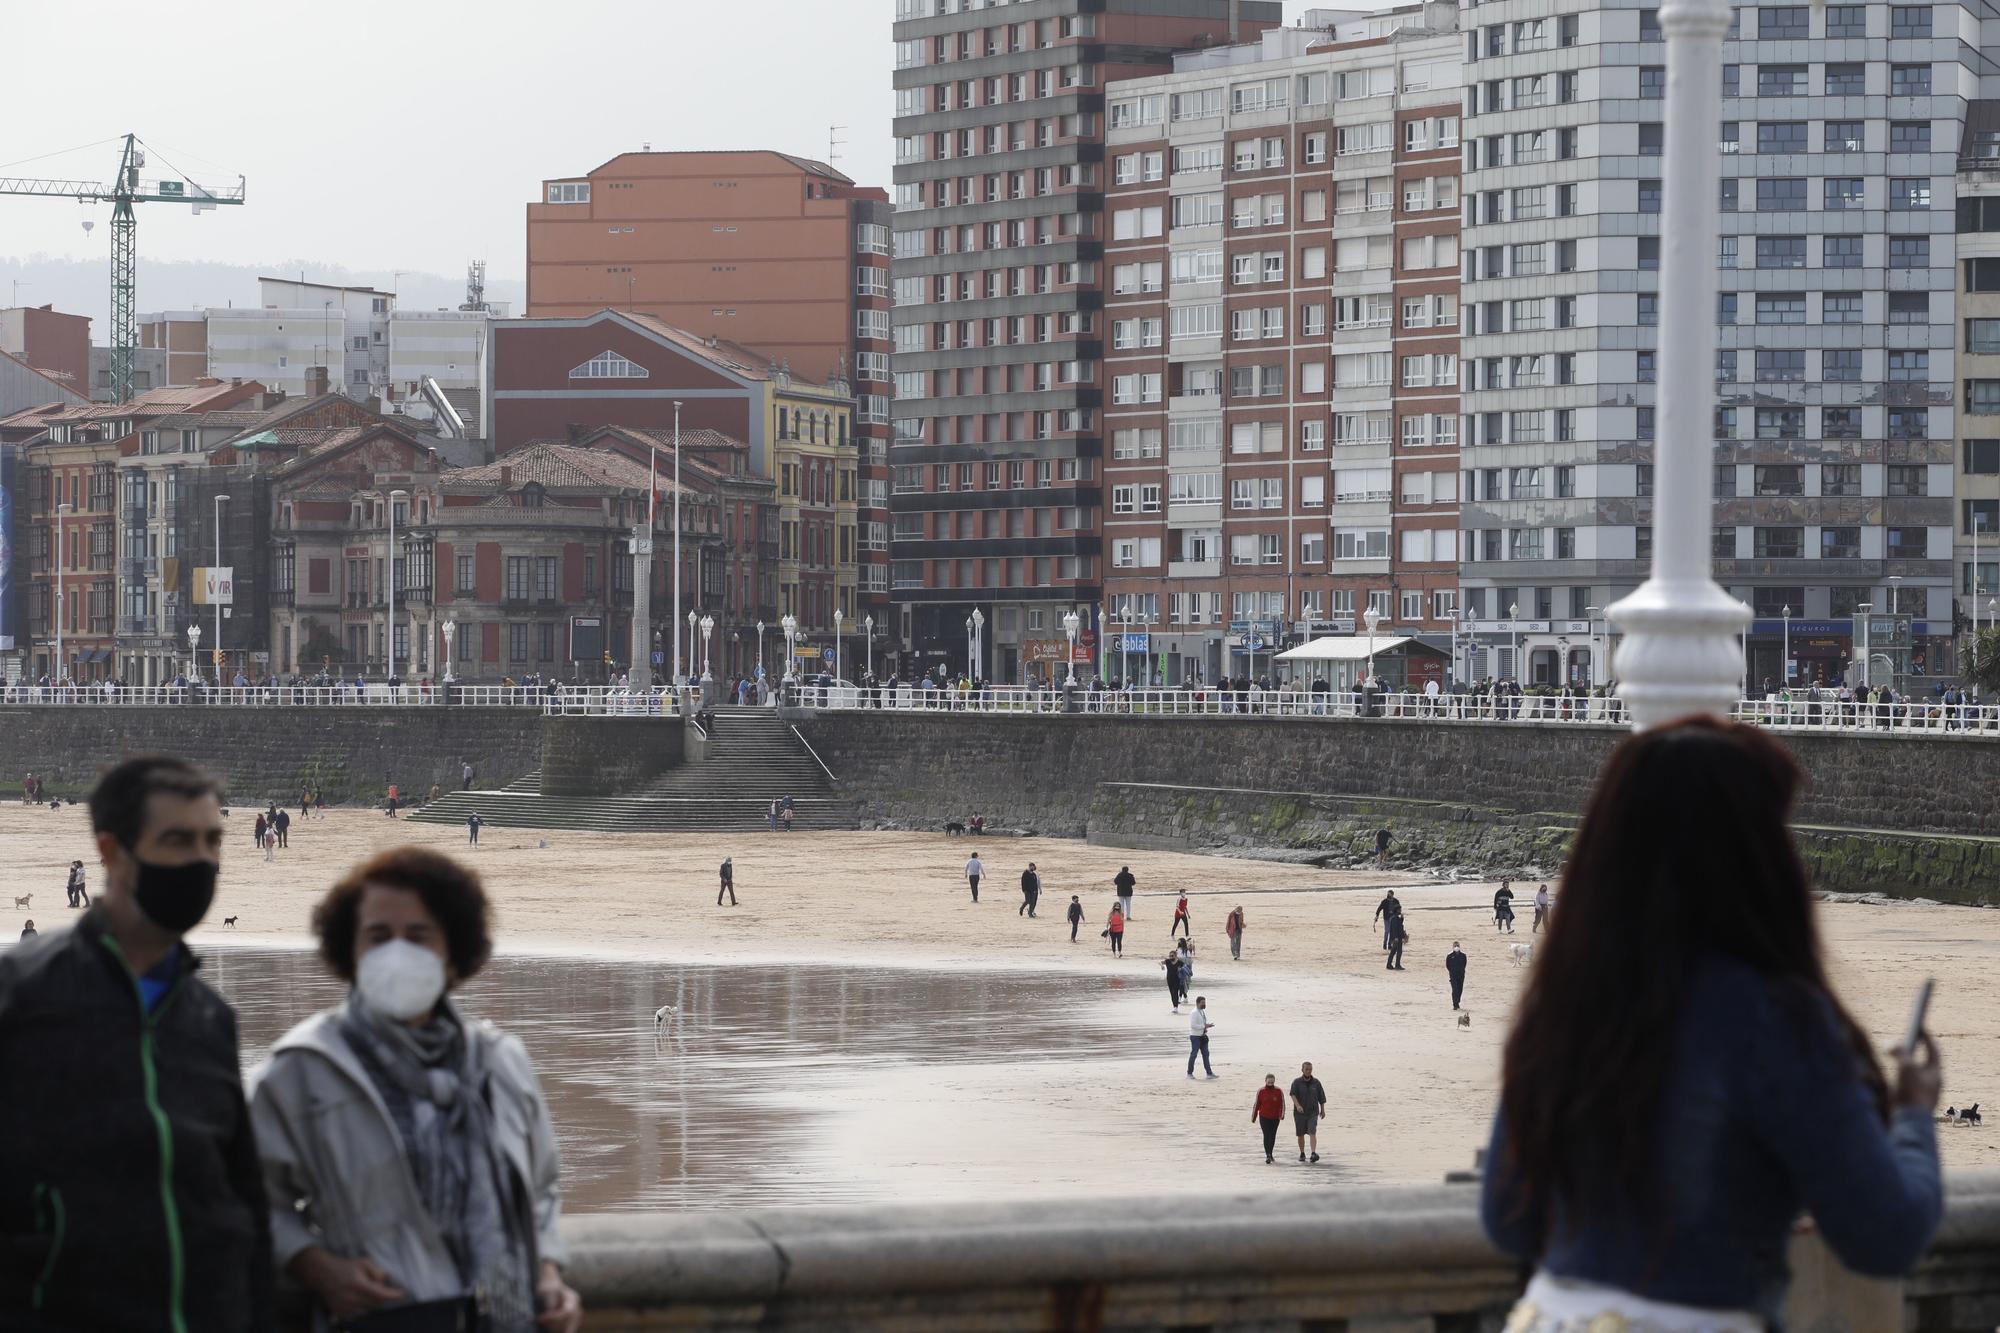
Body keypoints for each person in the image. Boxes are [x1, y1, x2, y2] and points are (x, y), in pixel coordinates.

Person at [1481, 718, 1943, 1329]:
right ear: (1757, 854)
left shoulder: (1569, 1002)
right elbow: (1884, 1235)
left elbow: (1508, 1220)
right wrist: (1912, 1114)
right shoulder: (1773, 1016)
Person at [248, 847, 582, 1333]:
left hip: (511, 1319)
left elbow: (540, 1189)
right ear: (350, 952)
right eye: (378, 937)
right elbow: (245, 1195)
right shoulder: (300, 1070)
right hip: (383, 1318)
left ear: (452, 954)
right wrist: (315, 1266)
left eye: (418, 936)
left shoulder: (500, 1062)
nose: (397, 953)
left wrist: (548, 1270)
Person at [0, 755, 274, 1330]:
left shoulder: (209, 1017)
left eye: (211, 841)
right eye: (177, 840)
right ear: (111, 852)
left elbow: (242, 1193)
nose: (201, 861)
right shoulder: (21, 996)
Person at [1290, 1062, 1328, 1163]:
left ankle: (1313, 1153)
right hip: (1300, 1113)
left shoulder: (1316, 1082)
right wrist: (1298, 1105)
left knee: (1312, 1131)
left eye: (1310, 1069)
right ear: (1302, 1069)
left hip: (1313, 1112)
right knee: (1300, 1133)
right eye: (1306, 1069)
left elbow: (1321, 1097)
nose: (1308, 1071)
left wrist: (1322, 1110)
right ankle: (1302, 1153)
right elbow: (1293, 1094)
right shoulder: (1296, 1082)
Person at [1253, 1075, 1287, 1163]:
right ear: (1265, 1081)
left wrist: (1281, 1115)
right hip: (1264, 1117)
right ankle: (1267, 1154)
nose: (1270, 1084)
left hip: (1275, 1117)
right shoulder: (1261, 1091)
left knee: (1272, 1135)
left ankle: (1270, 1153)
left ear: (1274, 1081)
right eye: (1269, 1082)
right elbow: (1256, 1104)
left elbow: (1282, 1104)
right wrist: (1254, 1116)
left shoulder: (1278, 1091)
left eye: (1272, 1082)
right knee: (1266, 1135)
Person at [1186, 996, 1216, 1078]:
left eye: (1204, 1002)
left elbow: (1201, 1024)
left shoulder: (1201, 1011)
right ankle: (1189, 1073)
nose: (1204, 1004)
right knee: (1194, 1055)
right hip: (1195, 1037)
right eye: (1202, 1002)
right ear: (1197, 1003)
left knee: (1206, 1054)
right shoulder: (1194, 1012)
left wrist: (1205, 1028)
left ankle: (1209, 1073)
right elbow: (1193, 1025)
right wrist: (1204, 1026)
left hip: (1203, 1036)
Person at [1447, 940, 1468, 1010]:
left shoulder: (1463, 956)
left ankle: (1457, 1001)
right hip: (1453, 975)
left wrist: (1461, 971)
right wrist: (1452, 972)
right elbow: (1447, 965)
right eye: (1455, 946)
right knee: (1455, 989)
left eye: (1457, 946)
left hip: (1461, 975)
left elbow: (1465, 964)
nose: (1456, 947)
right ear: (1453, 947)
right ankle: (1455, 1004)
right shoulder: (1450, 956)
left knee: (1460, 989)